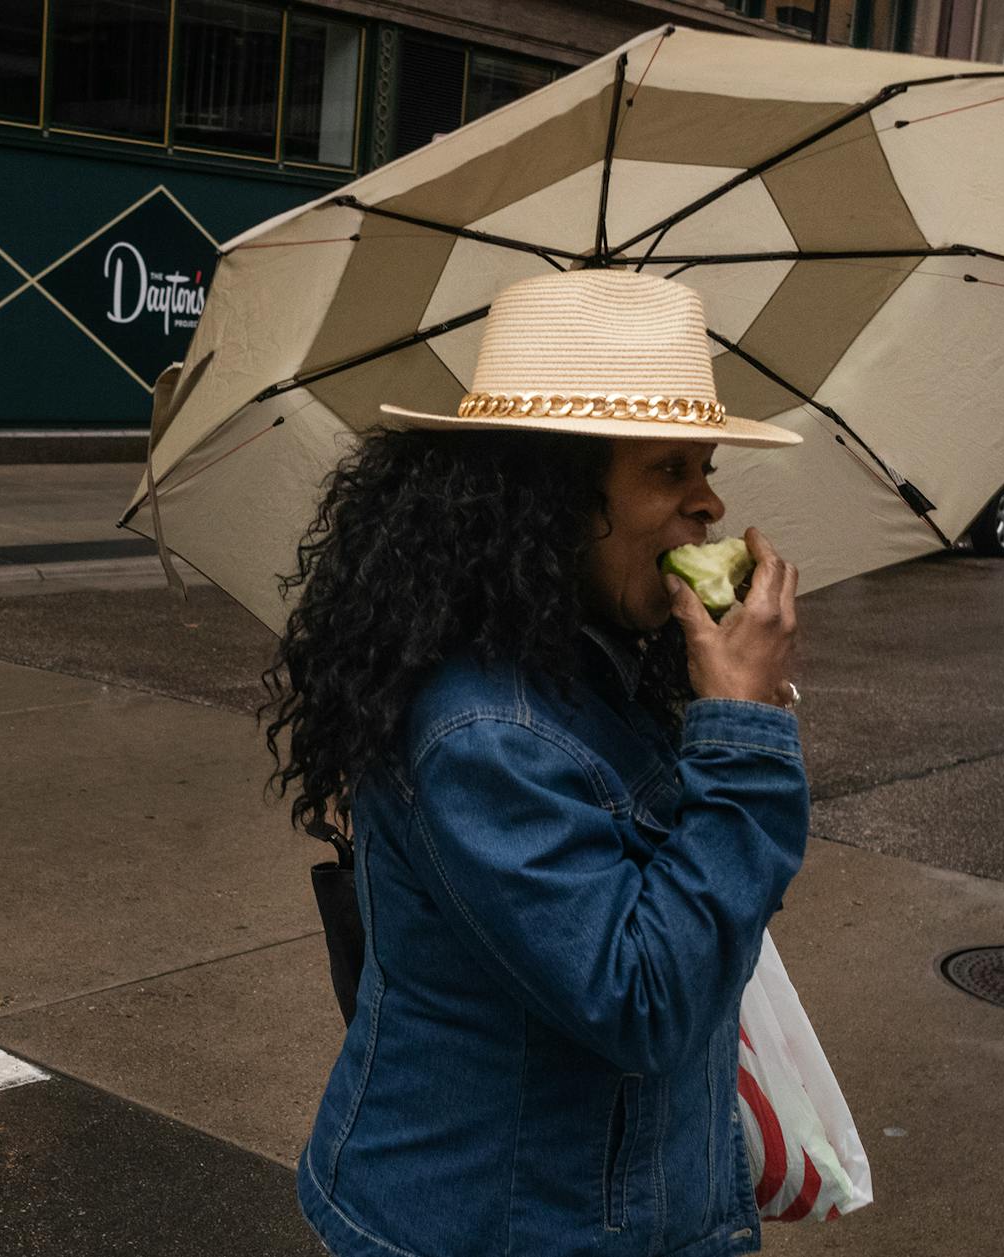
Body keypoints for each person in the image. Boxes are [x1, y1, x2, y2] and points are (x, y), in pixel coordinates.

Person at [263, 270, 808, 1257]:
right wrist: (744, 726)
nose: (711, 501)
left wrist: (723, 702)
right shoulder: (481, 735)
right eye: (671, 469)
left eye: (708, 465)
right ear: (556, 499)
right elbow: (643, 998)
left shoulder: (595, 666)